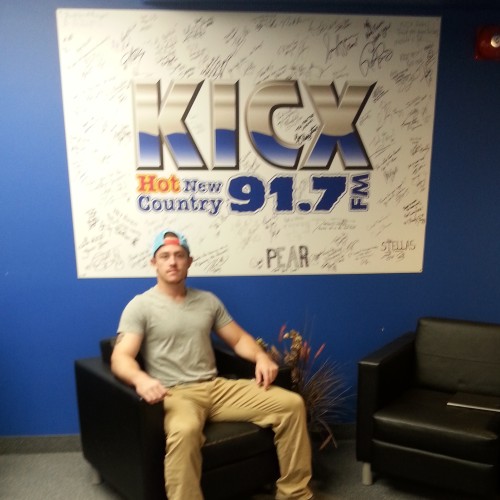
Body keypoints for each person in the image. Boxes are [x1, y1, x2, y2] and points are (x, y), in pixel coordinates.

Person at [111, 229, 313, 500]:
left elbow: (238, 339)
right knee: (185, 431)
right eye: (165, 256)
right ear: (154, 263)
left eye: (179, 255)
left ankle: (295, 493)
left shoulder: (207, 301)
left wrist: (261, 357)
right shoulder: (140, 306)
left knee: (292, 405)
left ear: (189, 261)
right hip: (175, 394)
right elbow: (120, 357)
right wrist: (141, 379)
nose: (173, 262)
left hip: (216, 388)